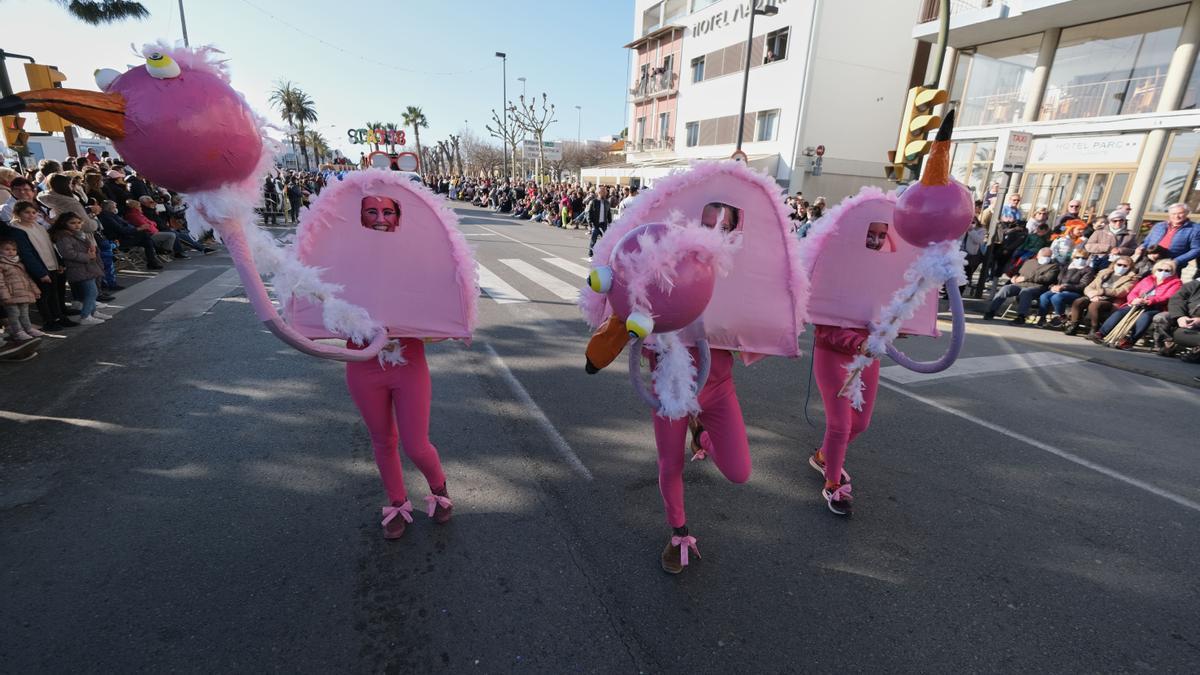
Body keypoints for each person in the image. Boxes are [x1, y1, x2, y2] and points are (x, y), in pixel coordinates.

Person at [3, 201, 75, 330]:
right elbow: (27, 254)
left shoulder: (38, 226)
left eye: (33, 212)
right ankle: (49, 321)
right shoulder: (17, 230)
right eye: (27, 212)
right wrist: (40, 272)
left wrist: (59, 262)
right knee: (44, 296)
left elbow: (49, 246)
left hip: (51, 263)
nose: (31, 215)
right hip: (39, 268)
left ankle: (59, 317)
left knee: (55, 293)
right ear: (17, 213)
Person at [1090, 259, 1182, 349]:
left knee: (1145, 317)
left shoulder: (1176, 283)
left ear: (1172, 272)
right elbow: (1134, 292)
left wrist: (1149, 300)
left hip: (1156, 307)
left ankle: (1130, 340)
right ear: (1155, 270)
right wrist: (1133, 300)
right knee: (1120, 312)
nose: (1163, 272)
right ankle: (1101, 333)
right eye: (1160, 270)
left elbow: (1168, 297)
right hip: (1137, 303)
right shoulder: (1147, 279)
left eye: (1167, 270)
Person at [49, 213, 109, 325]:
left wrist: (92, 252)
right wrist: (87, 256)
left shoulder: (77, 234)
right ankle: (85, 316)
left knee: (92, 291)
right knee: (91, 292)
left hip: (86, 266)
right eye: (72, 223)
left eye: (78, 222)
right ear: (64, 224)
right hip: (78, 268)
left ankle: (93, 312)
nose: (77, 225)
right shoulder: (64, 237)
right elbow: (68, 253)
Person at [982, 247, 1060, 325]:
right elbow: (1019, 273)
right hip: (1020, 284)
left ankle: (1021, 317)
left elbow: (1046, 279)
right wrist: (1014, 277)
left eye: (1048, 256)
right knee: (1006, 288)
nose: (1046, 258)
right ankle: (991, 311)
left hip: (1038, 287)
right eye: (1044, 256)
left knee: (1025, 292)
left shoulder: (1053, 266)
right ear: (1038, 256)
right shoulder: (1029, 262)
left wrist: (1026, 278)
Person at [1063, 255, 1137, 336]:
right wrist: (1091, 295)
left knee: (1094, 305)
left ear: (1130, 267)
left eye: (1125, 266)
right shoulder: (1104, 273)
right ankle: (1074, 325)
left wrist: (1101, 291)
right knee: (1078, 302)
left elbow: (1121, 291)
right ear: (1114, 264)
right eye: (1119, 264)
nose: (1121, 267)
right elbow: (1089, 287)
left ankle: (1094, 328)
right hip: (1095, 296)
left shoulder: (1131, 278)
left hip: (1111, 300)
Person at [98, 200, 164, 270]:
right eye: (115, 206)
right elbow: (121, 230)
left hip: (126, 236)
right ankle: (155, 255)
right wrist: (138, 229)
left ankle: (154, 259)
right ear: (110, 208)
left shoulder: (112, 216)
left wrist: (137, 229)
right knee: (145, 236)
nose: (116, 208)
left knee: (146, 239)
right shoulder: (107, 217)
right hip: (119, 240)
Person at [0, 238, 44, 341]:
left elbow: (27, 278)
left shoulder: (19, 263)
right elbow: (0, 283)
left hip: (23, 294)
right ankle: (18, 332)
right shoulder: (2, 265)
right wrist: (5, 296)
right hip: (10, 295)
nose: (11, 251)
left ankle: (28, 329)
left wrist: (35, 290)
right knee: (14, 314)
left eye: (14, 249)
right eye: (7, 249)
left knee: (24, 313)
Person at [1036, 249, 1093, 327]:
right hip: (1059, 289)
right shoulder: (1066, 267)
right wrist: (1053, 287)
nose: (1080, 260)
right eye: (1077, 257)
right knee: (1044, 296)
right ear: (1073, 258)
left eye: (1084, 258)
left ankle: (1061, 317)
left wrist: (1065, 287)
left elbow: (1082, 285)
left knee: (1056, 297)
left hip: (1075, 292)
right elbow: (1057, 280)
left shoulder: (1088, 270)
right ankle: (1042, 318)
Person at [1137, 203, 1200, 269]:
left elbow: (1196, 250)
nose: (1177, 216)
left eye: (1180, 213)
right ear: (1169, 214)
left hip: (1171, 265)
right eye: (1174, 214)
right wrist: (1141, 247)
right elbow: (1147, 241)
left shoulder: (1195, 229)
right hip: (1149, 261)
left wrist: (1176, 261)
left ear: (1187, 213)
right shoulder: (1159, 226)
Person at [1152, 278, 1200, 356]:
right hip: (1185, 318)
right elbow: (1177, 299)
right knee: (1161, 318)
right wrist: (1180, 316)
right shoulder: (1194, 285)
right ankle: (1169, 345)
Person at [586, 185, 613, 258]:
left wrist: (610, 223)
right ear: (598, 193)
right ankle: (590, 255)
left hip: (603, 224)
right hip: (595, 224)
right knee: (593, 240)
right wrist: (589, 223)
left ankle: (604, 255)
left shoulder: (607, 202)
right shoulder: (594, 202)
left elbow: (609, 214)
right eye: (603, 192)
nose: (604, 193)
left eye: (605, 192)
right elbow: (589, 213)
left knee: (605, 241)